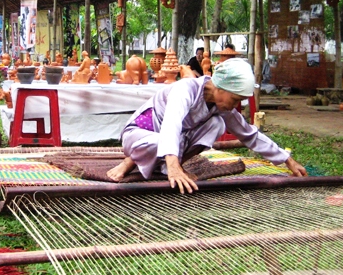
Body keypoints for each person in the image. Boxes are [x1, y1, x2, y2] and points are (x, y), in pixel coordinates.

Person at [106, 58, 307, 194]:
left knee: (217, 124)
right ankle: (132, 160)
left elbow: (249, 134)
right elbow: (171, 125)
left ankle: (167, 164)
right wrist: (174, 167)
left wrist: (287, 160)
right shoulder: (186, 89)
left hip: (169, 144)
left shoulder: (221, 108)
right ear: (221, 87)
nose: (236, 105)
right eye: (236, 99)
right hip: (140, 136)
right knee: (163, 141)